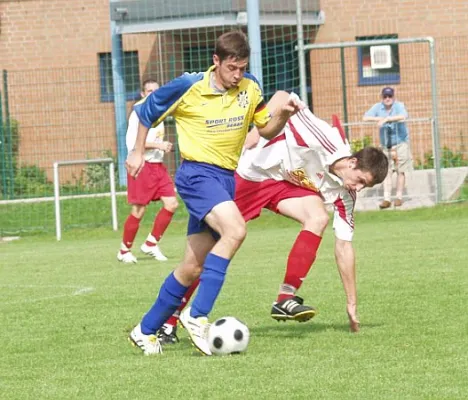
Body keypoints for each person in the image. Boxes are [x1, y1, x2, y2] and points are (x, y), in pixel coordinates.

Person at [125, 31, 301, 355]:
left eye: (242, 68)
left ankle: (145, 329)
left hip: (224, 180)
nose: (238, 75)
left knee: (192, 266)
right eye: (232, 68)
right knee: (235, 230)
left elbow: (264, 129)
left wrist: (284, 116)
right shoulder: (188, 86)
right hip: (196, 175)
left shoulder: (251, 87)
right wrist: (137, 151)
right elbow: (146, 112)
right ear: (216, 61)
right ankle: (197, 314)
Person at [158, 91, 389, 334]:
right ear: (352, 163)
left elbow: (344, 247)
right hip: (251, 174)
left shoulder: (346, 194)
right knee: (204, 254)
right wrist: (255, 132)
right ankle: (169, 320)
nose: (359, 189)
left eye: (366, 186)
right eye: (360, 181)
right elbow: (282, 96)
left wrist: (352, 302)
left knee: (318, 217)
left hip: (281, 185)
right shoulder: (323, 138)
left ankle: (284, 298)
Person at [117, 79, 178, 264]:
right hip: (142, 165)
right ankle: (124, 250)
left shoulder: (160, 109)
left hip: (158, 166)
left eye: (155, 91)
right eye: (149, 91)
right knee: (138, 210)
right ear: (143, 93)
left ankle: (151, 243)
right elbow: (134, 143)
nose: (152, 94)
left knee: (172, 204)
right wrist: (159, 145)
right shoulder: (138, 112)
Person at [363, 87, 412, 209]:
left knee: (401, 170)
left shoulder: (399, 106)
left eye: (389, 96)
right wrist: (379, 119)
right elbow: (365, 117)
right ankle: (386, 199)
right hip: (386, 145)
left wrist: (387, 119)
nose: (387, 99)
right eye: (385, 96)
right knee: (386, 171)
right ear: (382, 97)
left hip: (400, 143)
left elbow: (403, 116)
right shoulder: (378, 107)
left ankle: (399, 197)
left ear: (393, 97)